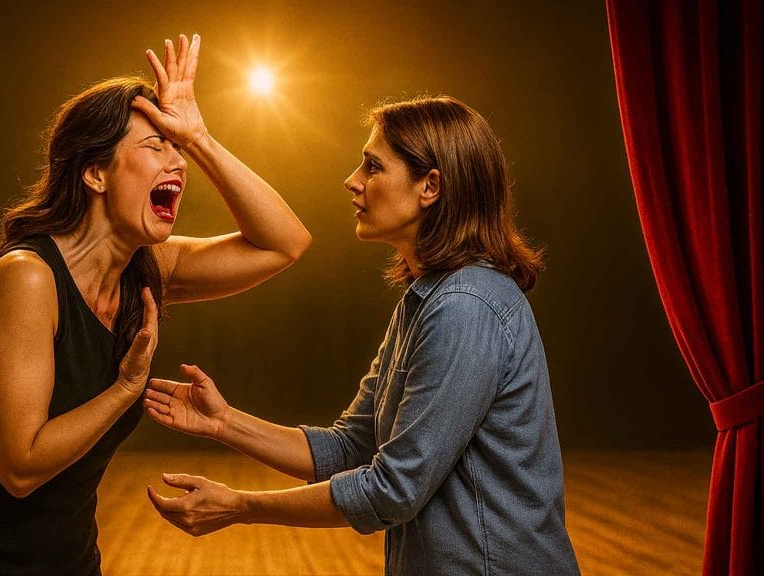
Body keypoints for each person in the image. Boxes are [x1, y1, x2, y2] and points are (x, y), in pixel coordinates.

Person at [0, 34, 312, 576]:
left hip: (65, 557)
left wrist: (200, 137)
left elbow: (285, 242)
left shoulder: (149, 266)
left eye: (177, 148)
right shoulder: (27, 279)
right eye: (155, 146)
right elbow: (20, 467)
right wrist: (126, 390)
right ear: (95, 173)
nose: (176, 162)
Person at [143, 96, 580, 575]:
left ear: (430, 186)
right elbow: (351, 448)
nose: (352, 180)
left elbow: (394, 491)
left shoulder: (465, 306)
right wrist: (223, 422)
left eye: (373, 166)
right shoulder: (427, 299)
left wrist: (242, 506)